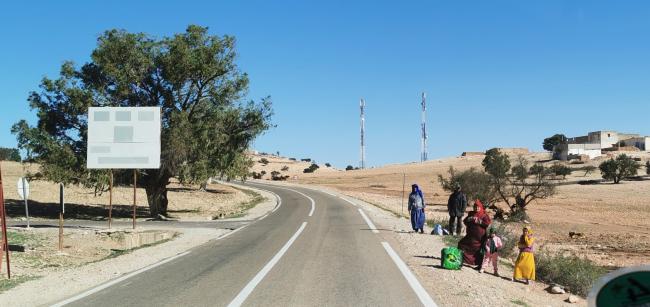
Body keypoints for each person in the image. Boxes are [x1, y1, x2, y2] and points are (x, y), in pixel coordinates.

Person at [457, 200, 491, 267]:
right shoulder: (471, 213)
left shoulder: (484, 215)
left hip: (480, 237)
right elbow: (465, 221)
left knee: (479, 250)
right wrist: (470, 219)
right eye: (475, 207)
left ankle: (479, 264)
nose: (477, 209)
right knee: (462, 244)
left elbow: (487, 224)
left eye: (478, 207)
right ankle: (461, 259)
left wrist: (479, 221)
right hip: (470, 236)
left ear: (481, 207)